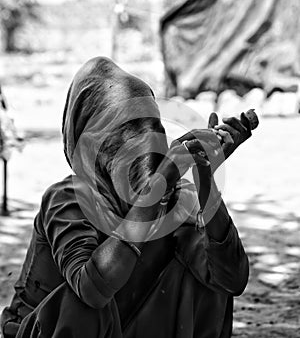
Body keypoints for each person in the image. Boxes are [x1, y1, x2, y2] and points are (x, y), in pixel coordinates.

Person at [1, 57, 250, 338]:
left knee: (208, 275)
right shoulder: (70, 197)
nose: (144, 143)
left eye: (151, 127)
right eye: (126, 133)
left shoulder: (175, 194)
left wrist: (207, 179)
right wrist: (152, 193)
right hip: (47, 329)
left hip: (123, 325)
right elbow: (92, 291)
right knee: (85, 302)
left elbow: (232, 279)